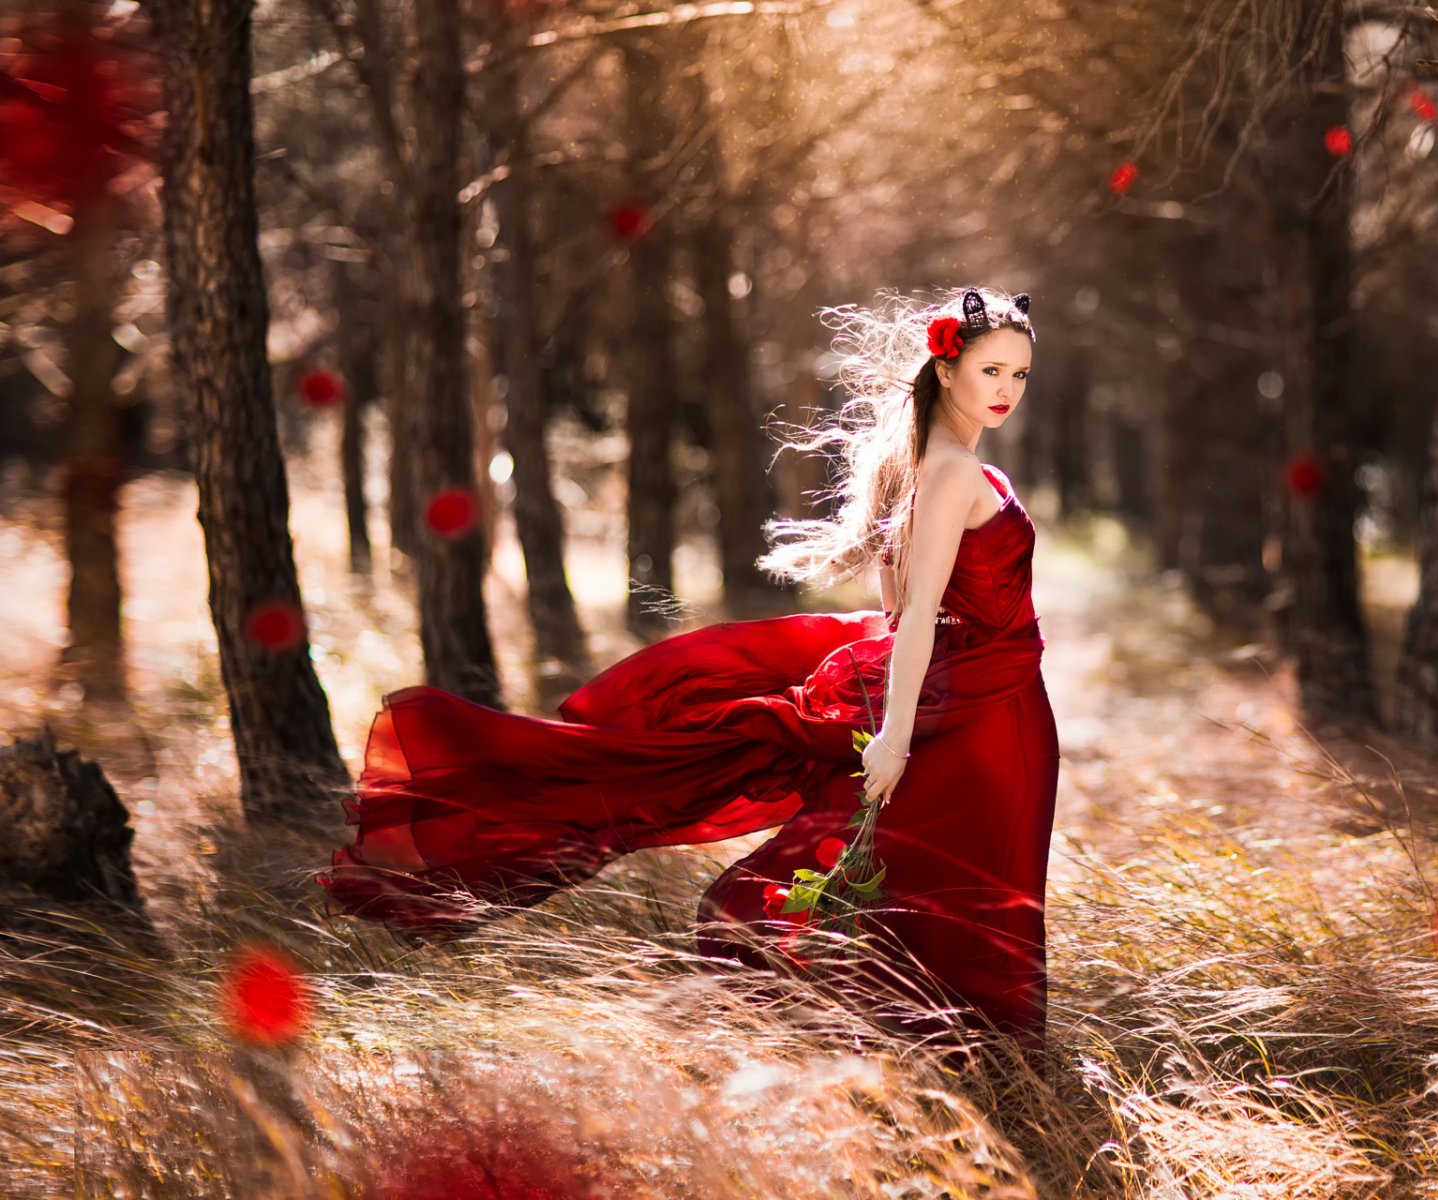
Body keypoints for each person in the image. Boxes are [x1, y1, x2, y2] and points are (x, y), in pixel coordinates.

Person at [314, 286, 1060, 1066]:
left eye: (1020, 376)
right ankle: (952, 1068)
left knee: (963, 891)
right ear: (946, 371)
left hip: (995, 710)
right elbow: (912, 618)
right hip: (977, 720)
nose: (1006, 391)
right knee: (947, 891)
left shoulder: (948, 467)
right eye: (992, 370)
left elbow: (905, 609)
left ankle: (958, 1070)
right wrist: (896, 738)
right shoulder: (945, 475)